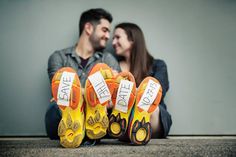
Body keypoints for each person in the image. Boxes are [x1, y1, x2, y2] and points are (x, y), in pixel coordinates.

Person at [45, 8, 121, 146]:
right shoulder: (59, 57)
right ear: (88, 28)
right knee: (56, 108)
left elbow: (113, 97)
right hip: (63, 115)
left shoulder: (108, 59)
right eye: (104, 30)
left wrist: (78, 93)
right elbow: (60, 94)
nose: (108, 36)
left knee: (111, 114)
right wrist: (93, 96)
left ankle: (82, 130)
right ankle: (85, 129)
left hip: (101, 117)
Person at [111, 22, 172, 143]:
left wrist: (126, 90)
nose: (113, 43)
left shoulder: (158, 65)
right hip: (121, 115)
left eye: (117, 37)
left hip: (153, 117)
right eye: (113, 38)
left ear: (132, 39)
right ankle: (131, 129)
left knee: (148, 102)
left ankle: (136, 124)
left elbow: (157, 94)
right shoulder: (114, 66)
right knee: (120, 107)